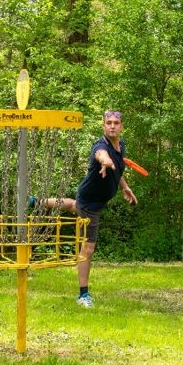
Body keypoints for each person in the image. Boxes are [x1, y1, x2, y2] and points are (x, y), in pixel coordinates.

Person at [35, 110, 137, 308]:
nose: (113, 126)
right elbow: (102, 155)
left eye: (116, 122)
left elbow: (119, 168)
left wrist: (125, 187)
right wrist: (105, 161)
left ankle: (36, 202)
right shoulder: (100, 146)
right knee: (88, 248)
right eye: (109, 123)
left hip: (90, 199)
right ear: (103, 126)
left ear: (121, 126)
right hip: (91, 203)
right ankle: (83, 294)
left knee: (74, 206)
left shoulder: (121, 146)